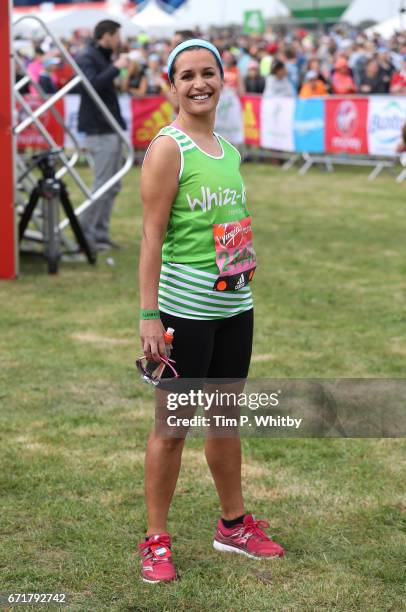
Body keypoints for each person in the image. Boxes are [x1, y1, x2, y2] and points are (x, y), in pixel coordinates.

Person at [138, 38, 284, 584]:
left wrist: (243, 256)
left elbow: (225, 223)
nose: (199, 83)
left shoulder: (227, 148)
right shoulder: (169, 148)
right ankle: (155, 540)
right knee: (172, 428)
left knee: (225, 419)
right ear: (171, 86)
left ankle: (233, 525)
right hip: (184, 313)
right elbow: (152, 237)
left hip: (234, 305)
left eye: (208, 73)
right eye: (187, 76)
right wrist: (149, 315)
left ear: (223, 80)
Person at [76, 20, 129, 251]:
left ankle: (99, 233)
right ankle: (85, 235)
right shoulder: (87, 56)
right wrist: (116, 67)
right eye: (116, 36)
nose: (119, 40)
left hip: (109, 127)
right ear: (106, 35)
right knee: (102, 185)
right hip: (99, 129)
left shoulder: (100, 55)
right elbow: (91, 85)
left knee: (112, 185)